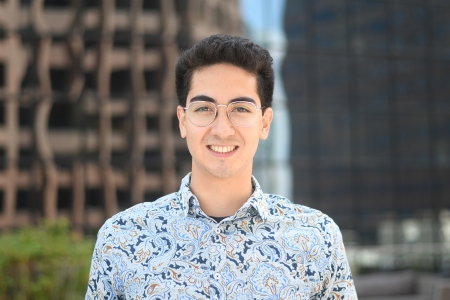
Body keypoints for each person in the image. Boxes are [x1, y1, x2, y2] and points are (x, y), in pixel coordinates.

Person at [86, 34, 357, 299]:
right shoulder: (121, 238)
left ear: (264, 123)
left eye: (240, 109)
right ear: (183, 121)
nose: (222, 129)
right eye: (204, 108)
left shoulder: (317, 237)